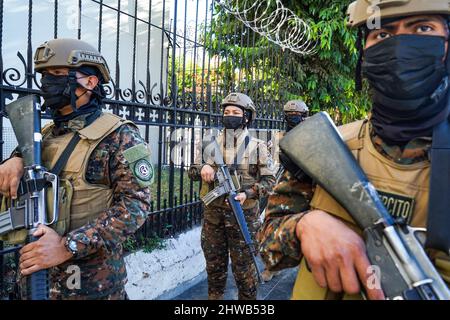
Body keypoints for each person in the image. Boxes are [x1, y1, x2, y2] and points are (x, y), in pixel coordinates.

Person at [258, 0, 450, 300]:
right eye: (382, 35)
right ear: (366, 54)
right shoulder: (327, 148)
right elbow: (268, 241)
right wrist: (304, 226)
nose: (399, 48)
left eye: (423, 28)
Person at [0, 38, 153, 299]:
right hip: (33, 279)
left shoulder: (120, 136)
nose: (49, 83)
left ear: (90, 82)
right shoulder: (44, 134)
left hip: (91, 285)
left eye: (59, 74)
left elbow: (135, 207)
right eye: (46, 75)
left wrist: (67, 245)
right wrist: (13, 160)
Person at [189, 92, 276, 300]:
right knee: (214, 265)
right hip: (213, 217)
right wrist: (203, 168)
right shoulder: (209, 143)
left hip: (243, 217)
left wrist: (248, 193)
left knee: (244, 271)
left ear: (246, 116)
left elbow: (270, 183)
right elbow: (191, 171)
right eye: (226, 112)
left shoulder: (258, 146)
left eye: (236, 112)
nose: (230, 115)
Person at [260, 99, 309, 282]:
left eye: (296, 116)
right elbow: (272, 161)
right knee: (272, 224)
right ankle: (271, 267)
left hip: (304, 186)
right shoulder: (279, 137)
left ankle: (305, 271)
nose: (293, 119)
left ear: (304, 116)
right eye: (289, 116)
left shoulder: (310, 135)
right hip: (281, 183)